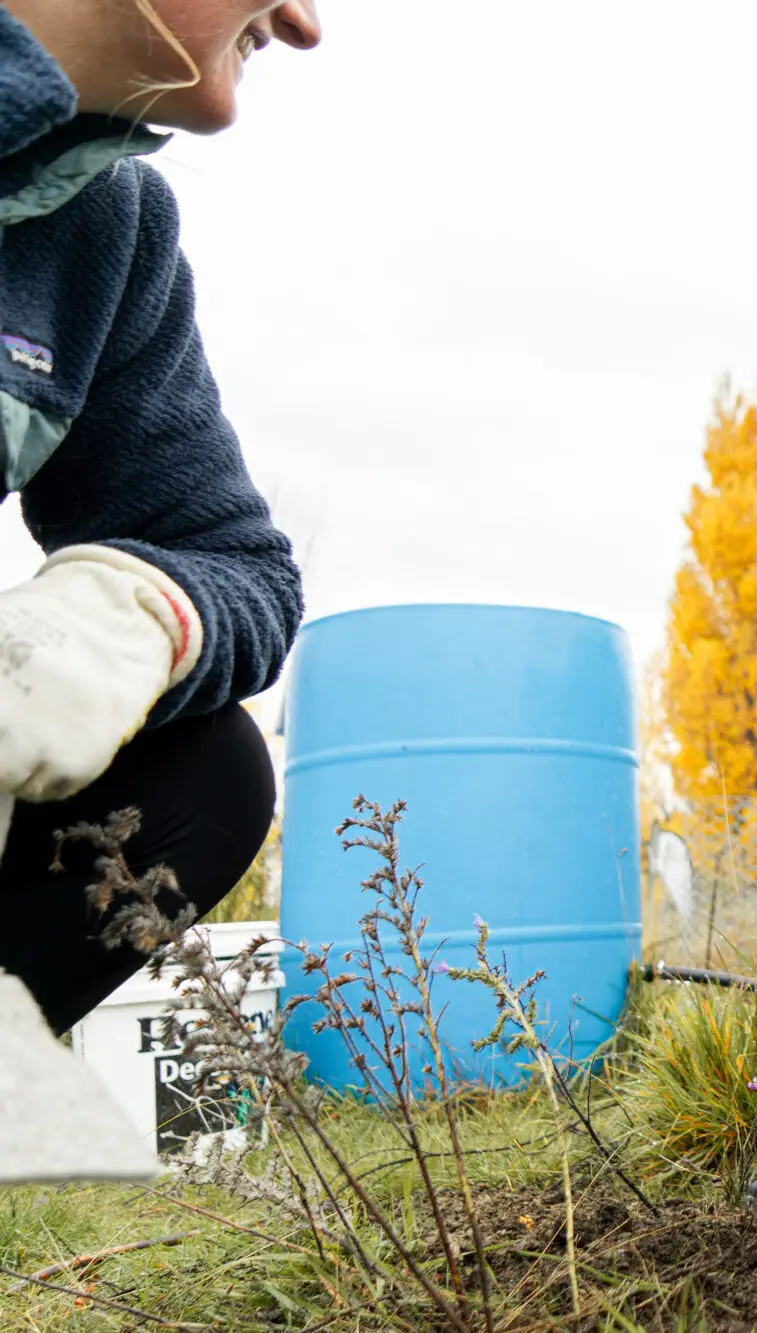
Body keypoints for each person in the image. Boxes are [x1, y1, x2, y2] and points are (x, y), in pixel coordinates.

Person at [0, 1, 318, 1034]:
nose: (302, 21)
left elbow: (239, 565)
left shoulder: (105, 227)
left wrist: (106, 625)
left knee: (206, 768)